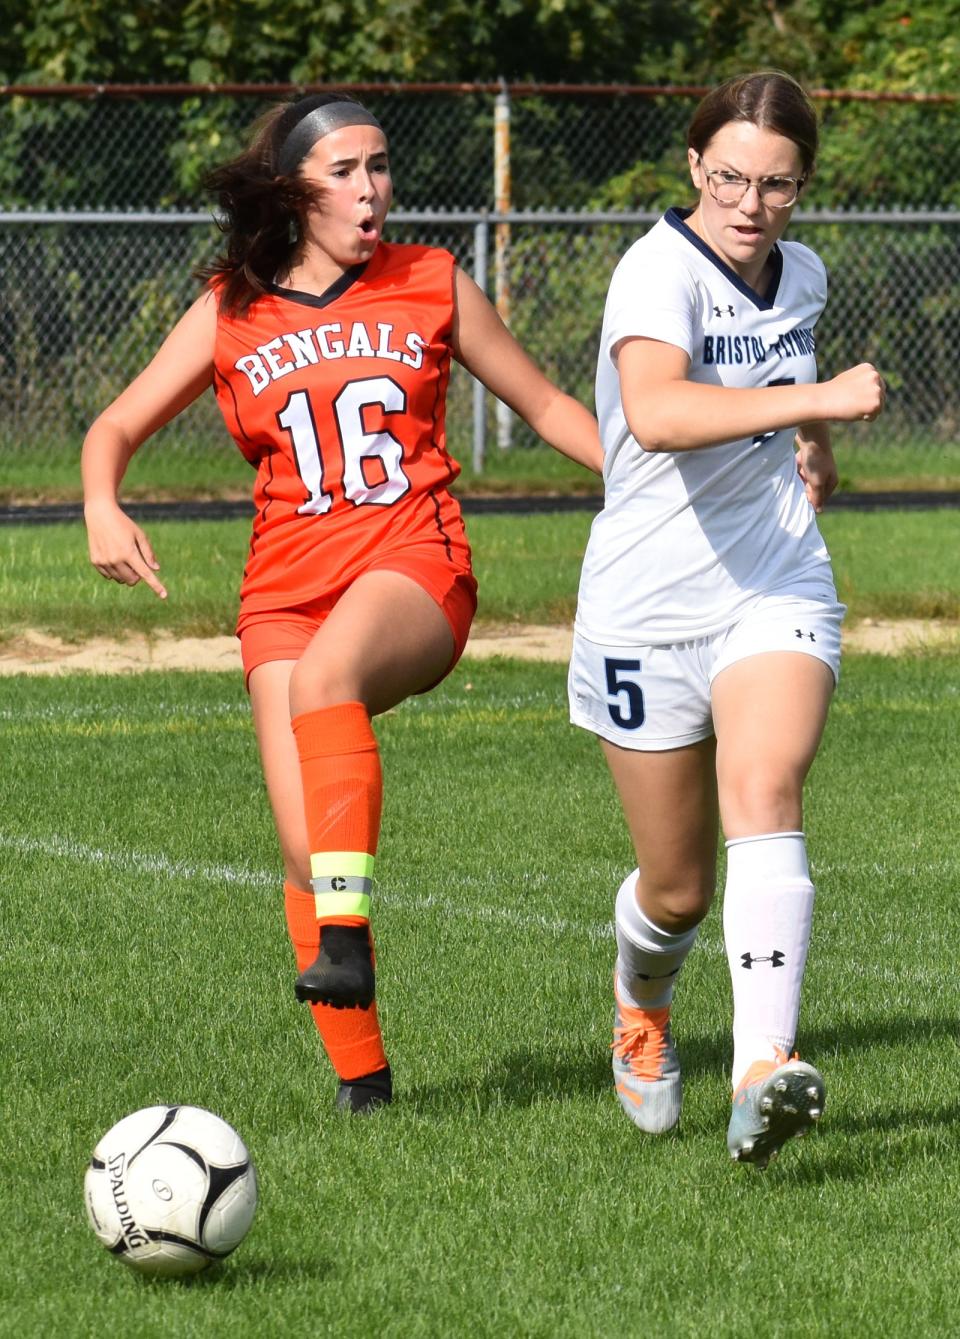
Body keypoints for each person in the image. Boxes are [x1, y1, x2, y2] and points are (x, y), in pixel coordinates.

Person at [82, 93, 602, 1114]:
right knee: (301, 846)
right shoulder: (232, 307)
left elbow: (544, 406)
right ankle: (366, 1090)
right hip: (282, 591)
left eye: (381, 165)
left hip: (415, 563)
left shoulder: (432, 277)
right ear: (294, 192)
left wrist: (654, 471)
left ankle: (348, 930)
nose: (372, 188)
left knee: (329, 691)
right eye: (345, 170)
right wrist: (102, 500)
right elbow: (114, 423)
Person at [567, 70, 885, 1167]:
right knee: (677, 883)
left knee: (768, 789)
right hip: (646, 606)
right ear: (695, 165)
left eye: (779, 185)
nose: (752, 204)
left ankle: (763, 1071)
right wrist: (818, 402)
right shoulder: (654, 273)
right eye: (733, 177)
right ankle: (641, 1004)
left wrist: (816, 447)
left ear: (803, 187)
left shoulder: (803, 273)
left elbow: (788, 381)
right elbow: (655, 414)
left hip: (773, 578)